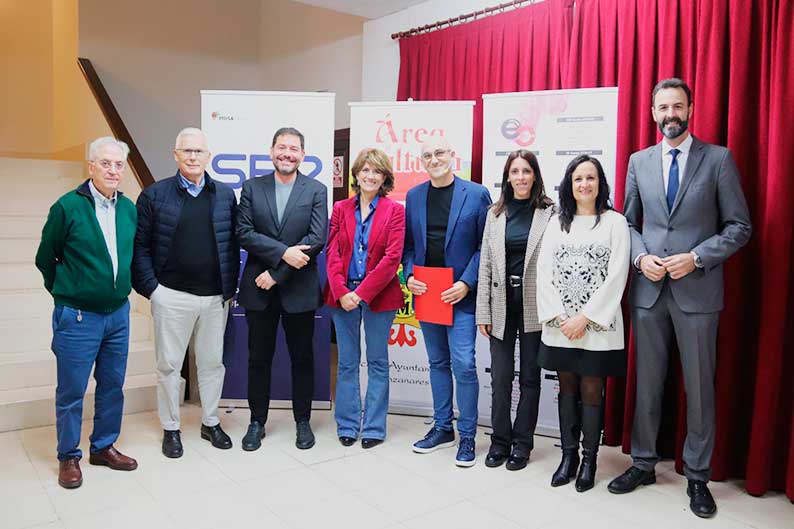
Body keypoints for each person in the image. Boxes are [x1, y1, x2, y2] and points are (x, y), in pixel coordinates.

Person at [608, 78, 752, 518]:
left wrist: (697, 257)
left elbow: (739, 227)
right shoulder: (639, 161)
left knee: (700, 388)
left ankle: (698, 477)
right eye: (662, 107)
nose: (670, 114)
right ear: (653, 113)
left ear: (690, 108)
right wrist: (639, 259)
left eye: (677, 106)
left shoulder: (719, 159)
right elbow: (627, 223)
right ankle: (645, 464)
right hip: (649, 291)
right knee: (647, 383)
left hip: (698, 292)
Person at [35, 136, 139, 489]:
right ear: (90, 166)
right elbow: (45, 259)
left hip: (118, 315)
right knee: (72, 390)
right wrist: (67, 292)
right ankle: (68, 456)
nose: (113, 170)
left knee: (112, 385)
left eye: (118, 164)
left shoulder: (128, 209)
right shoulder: (67, 207)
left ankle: (103, 445)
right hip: (77, 316)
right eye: (105, 163)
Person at [132, 127, 239, 458]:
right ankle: (171, 428)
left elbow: (232, 244)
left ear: (209, 156)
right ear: (175, 154)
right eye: (187, 151)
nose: (193, 157)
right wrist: (154, 291)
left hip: (213, 298)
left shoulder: (224, 195)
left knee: (211, 363)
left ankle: (210, 422)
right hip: (171, 296)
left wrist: (229, 288)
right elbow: (140, 249)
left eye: (199, 152)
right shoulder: (153, 195)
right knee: (169, 365)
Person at [536, 155, 630, 492]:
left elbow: (618, 274)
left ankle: (590, 460)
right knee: (567, 388)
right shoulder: (556, 223)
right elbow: (543, 273)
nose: (584, 184)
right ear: (569, 185)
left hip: (596, 327)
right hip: (560, 326)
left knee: (592, 389)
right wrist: (562, 318)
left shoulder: (615, 223)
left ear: (600, 183)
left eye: (590, 178)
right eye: (578, 179)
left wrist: (585, 318)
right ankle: (568, 457)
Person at [236, 127, 328, 451]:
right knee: (258, 359)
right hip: (258, 291)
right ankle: (256, 422)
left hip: (296, 288)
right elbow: (243, 232)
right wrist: (282, 253)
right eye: (281, 147)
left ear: (303, 155)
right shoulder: (251, 187)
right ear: (271, 151)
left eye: (294, 149)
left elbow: (316, 240)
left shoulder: (316, 189)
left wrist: (277, 273)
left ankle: (302, 421)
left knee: (302, 358)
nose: (287, 153)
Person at [403, 136, 492, 467]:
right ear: (422, 162)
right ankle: (442, 429)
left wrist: (466, 283)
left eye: (439, 152)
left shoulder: (477, 194)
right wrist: (408, 275)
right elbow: (409, 246)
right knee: (437, 363)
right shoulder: (414, 196)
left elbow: (486, 245)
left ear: (453, 155)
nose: (434, 159)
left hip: (460, 295)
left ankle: (467, 435)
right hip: (428, 293)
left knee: (464, 365)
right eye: (427, 155)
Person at [476, 150, 554, 471]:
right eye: (515, 172)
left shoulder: (550, 213)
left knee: (531, 380)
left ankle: (523, 444)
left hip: (536, 307)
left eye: (526, 171)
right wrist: (483, 312)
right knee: (502, 379)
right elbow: (485, 266)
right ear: (507, 177)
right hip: (501, 305)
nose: (520, 177)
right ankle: (500, 442)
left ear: (535, 175)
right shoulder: (495, 213)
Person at [323, 148, 405, 449]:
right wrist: (343, 292)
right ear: (356, 174)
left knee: (377, 361)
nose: (370, 176)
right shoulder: (341, 209)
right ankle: (346, 424)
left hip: (378, 297)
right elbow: (331, 253)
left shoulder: (396, 211)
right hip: (342, 296)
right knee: (346, 363)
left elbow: (392, 257)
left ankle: (373, 426)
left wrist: (361, 294)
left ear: (384, 177)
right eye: (365, 170)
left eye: (377, 171)